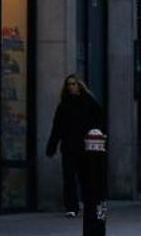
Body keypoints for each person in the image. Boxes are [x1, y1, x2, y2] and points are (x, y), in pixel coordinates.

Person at [45, 74, 104, 216]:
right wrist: (52, 145)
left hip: (85, 146)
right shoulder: (64, 105)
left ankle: (89, 203)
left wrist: (96, 136)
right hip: (69, 145)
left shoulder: (89, 101)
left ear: (79, 85)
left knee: (86, 176)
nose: (71, 87)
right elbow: (57, 127)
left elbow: (99, 119)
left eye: (73, 84)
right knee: (69, 176)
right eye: (68, 84)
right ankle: (72, 207)